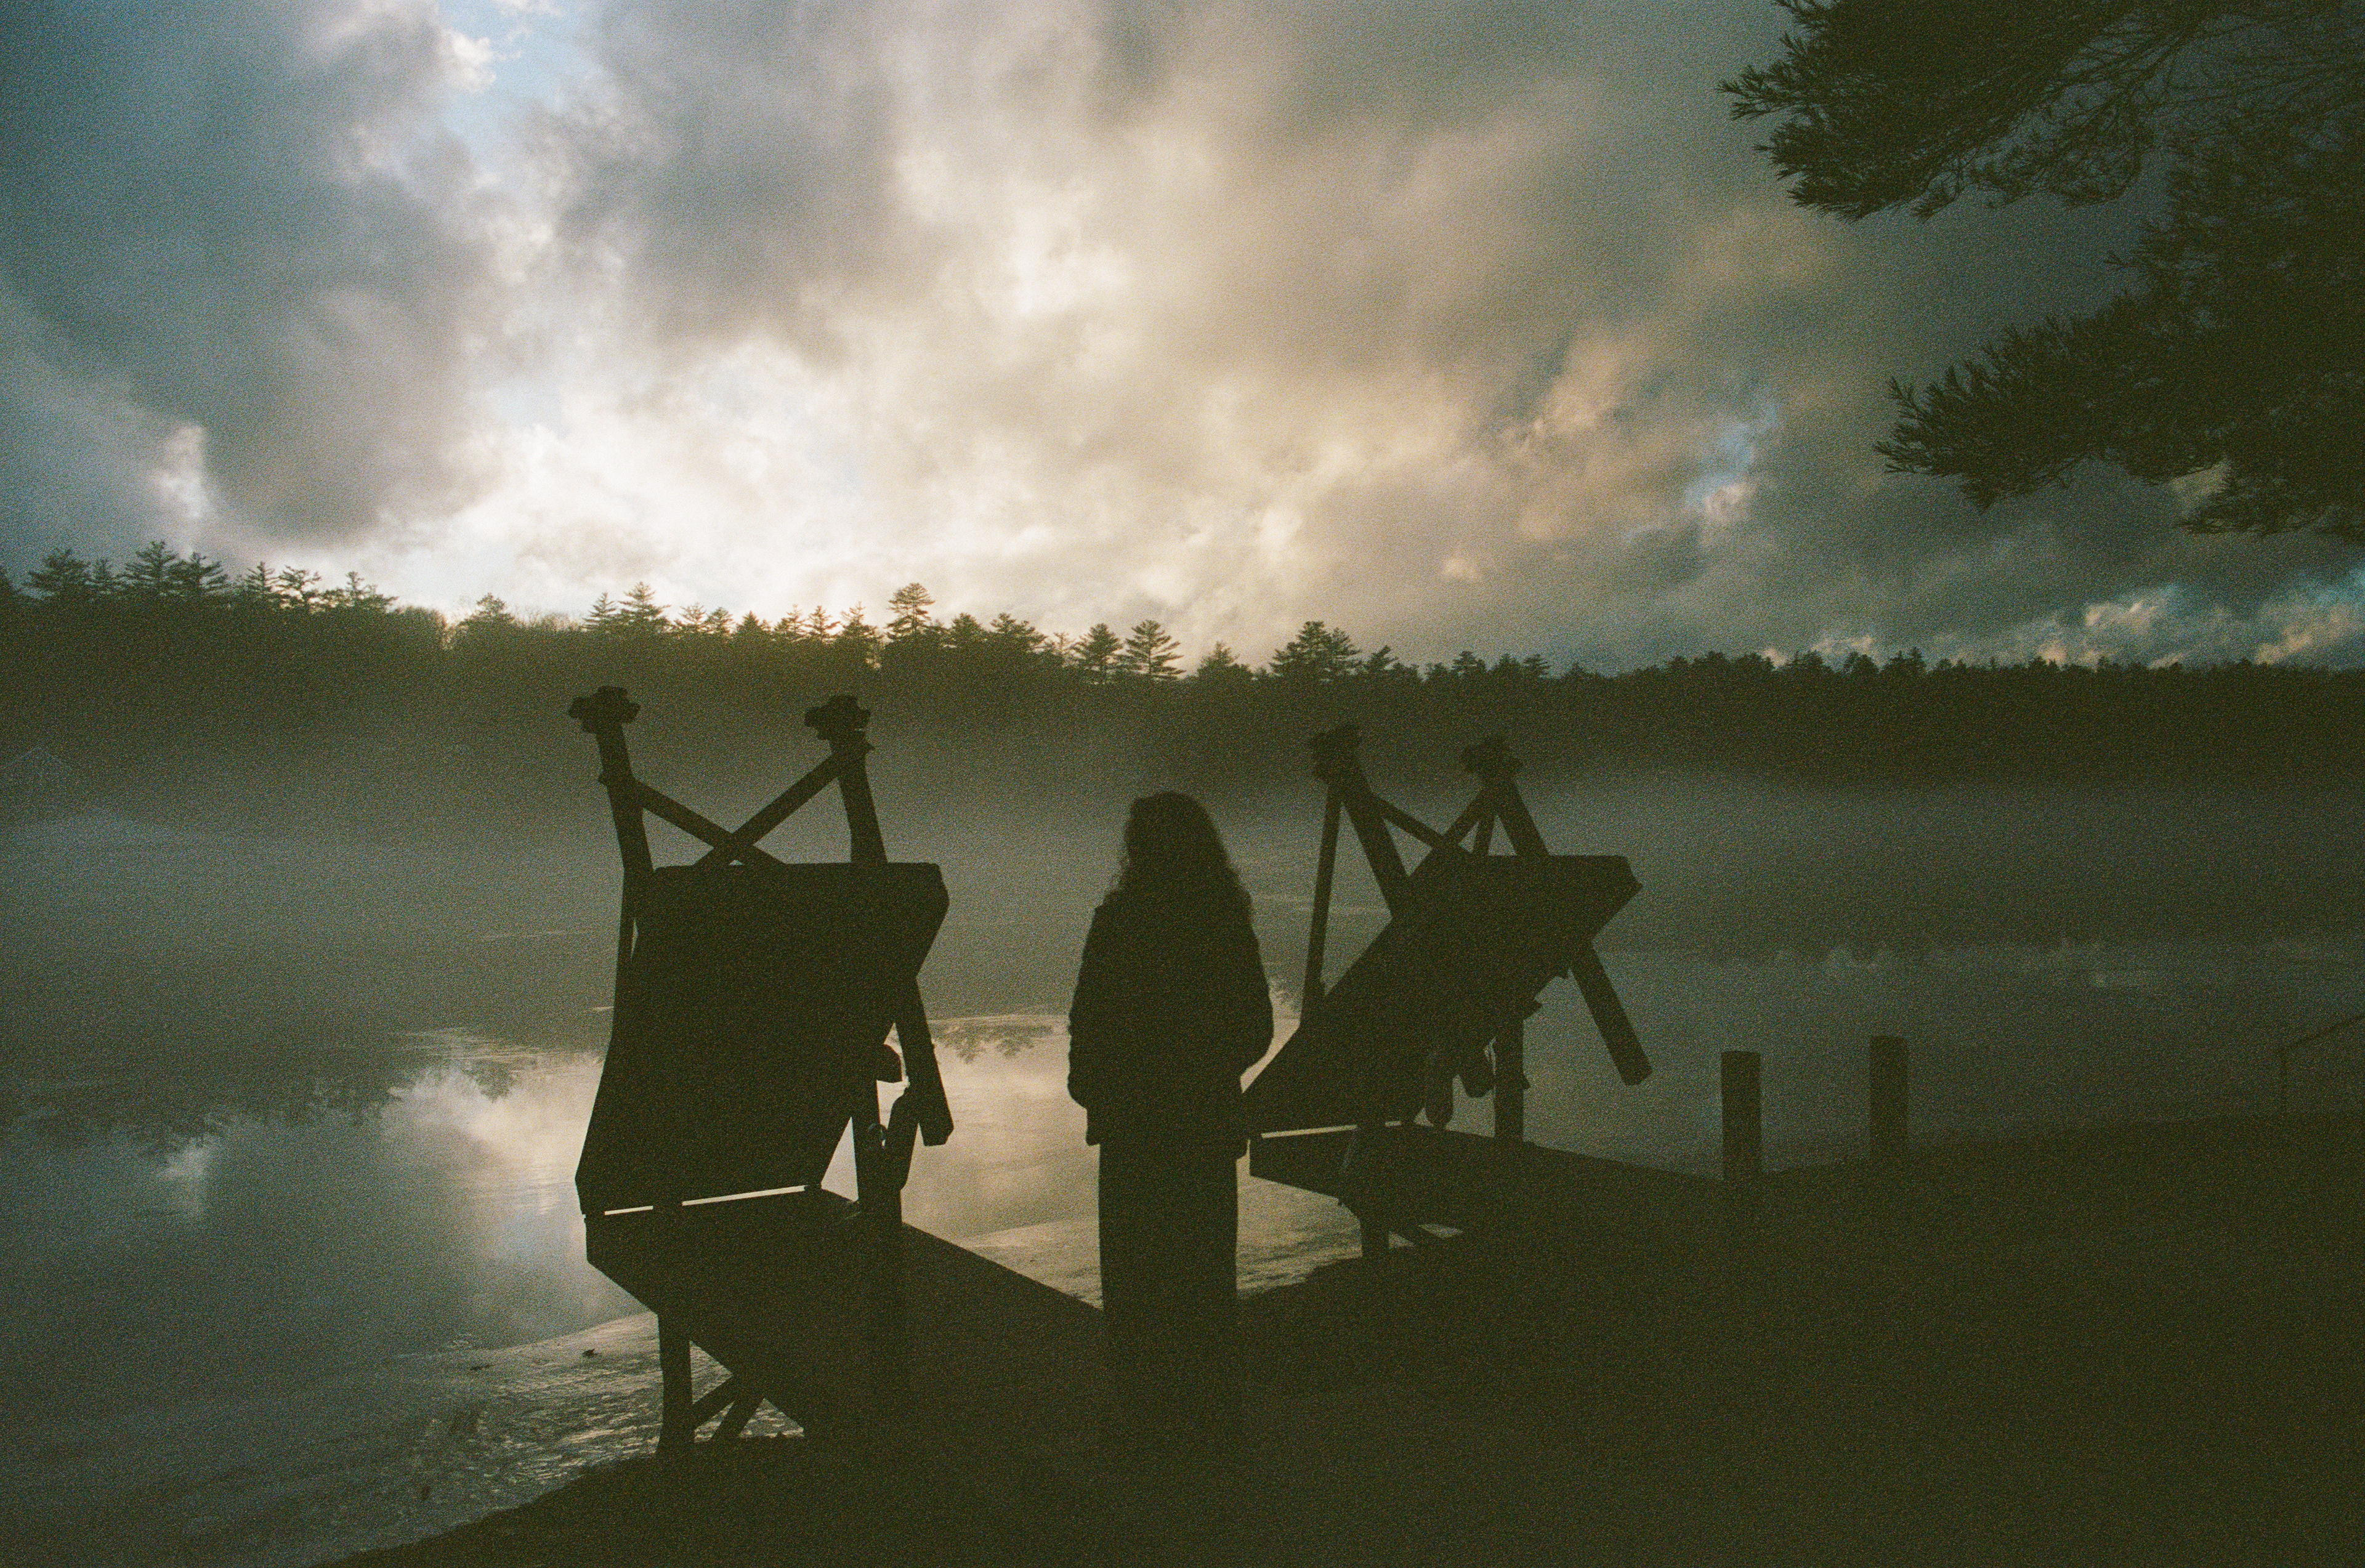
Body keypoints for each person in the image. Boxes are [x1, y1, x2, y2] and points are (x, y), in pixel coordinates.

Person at [1067, 791, 1271, 1457]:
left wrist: (1098, 1085)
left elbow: (1087, 1020)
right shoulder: (1223, 921)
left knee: (1135, 1278)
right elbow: (1255, 1028)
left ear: (1137, 850)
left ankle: (1143, 1416)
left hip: (1134, 1127)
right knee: (1205, 1275)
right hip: (1202, 1125)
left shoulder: (1118, 920)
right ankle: (1212, 1421)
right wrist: (1202, 1069)